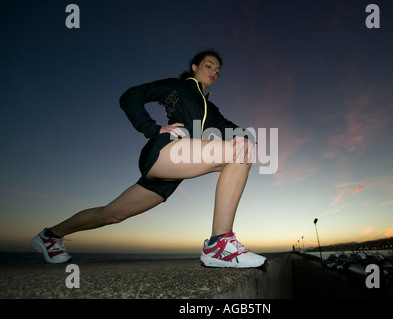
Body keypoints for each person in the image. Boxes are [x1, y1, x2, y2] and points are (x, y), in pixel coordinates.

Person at [30, 50, 266, 268]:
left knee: (111, 214)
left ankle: (50, 236)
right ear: (194, 66)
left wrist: (246, 137)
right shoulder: (176, 86)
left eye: (218, 70)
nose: (214, 72)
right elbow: (131, 96)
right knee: (238, 154)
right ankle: (219, 244)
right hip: (165, 151)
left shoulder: (209, 108)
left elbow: (229, 128)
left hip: (170, 177)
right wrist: (152, 128)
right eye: (209, 65)